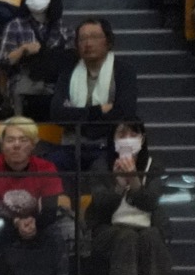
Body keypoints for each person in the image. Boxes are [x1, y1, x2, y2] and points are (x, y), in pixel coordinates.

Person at [0, 117, 75, 275]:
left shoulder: (46, 168)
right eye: (10, 140)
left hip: (36, 222)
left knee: (60, 234)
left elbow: (49, 211)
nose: (16, 145)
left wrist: (33, 223)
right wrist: (16, 223)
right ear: (2, 144)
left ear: (33, 144)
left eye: (23, 140)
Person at [84, 120, 173, 275]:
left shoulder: (154, 166)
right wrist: (118, 185)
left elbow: (152, 202)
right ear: (113, 139)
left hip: (147, 224)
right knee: (127, 236)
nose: (127, 139)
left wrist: (133, 180)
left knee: (151, 235)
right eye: (122, 135)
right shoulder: (101, 166)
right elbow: (100, 206)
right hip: (108, 228)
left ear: (142, 139)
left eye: (133, 135)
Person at [50, 18, 139, 174]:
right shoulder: (68, 72)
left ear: (108, 41)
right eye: (82, 39)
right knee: (51, 165)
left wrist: (81, 121)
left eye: (95, 37)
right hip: (71, 146)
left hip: (108, 146)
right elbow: (57, 114)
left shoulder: (123, 71)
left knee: (101, 170)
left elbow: (125, 113)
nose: (88, 43)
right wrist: (98, 111)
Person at [0, 0, 74, 120]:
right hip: (25, 85)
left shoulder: (64, 28)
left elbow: (72, 60)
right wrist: (22, 50)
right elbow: (2, 62)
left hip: (55, 84)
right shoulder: (15, 25)